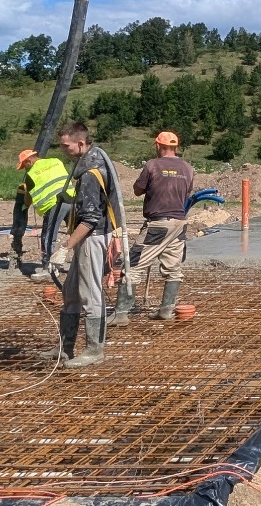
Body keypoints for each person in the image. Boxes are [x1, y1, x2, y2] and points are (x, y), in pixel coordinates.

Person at [51, 119, 122, 367]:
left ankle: (94, 350)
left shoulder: (91, 173)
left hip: (92, 238)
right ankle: (65, 347)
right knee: (71, 293)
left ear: (80, 143)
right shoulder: (88, 165)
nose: (63, 150)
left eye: (66, 146)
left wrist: (64, 247)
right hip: (87, 237)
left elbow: (91, 219)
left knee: (91, 294)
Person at [130, 130, 197, 321]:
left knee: (133, 266)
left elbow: (137, 190)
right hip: (179, 224)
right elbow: (187, 191)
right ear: (175, 147)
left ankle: (120, 314)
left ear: (158, 146)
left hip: (157, 224)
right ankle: (167, 309)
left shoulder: (152, 165)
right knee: (173, 268)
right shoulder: (188, 168)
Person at [10, 147, 70, 275]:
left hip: (53, 204)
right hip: (72, 200)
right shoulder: (56, 161)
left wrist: (25, 203)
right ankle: (80, 264)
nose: (25, 169)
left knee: (48, 236)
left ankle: (47, 268)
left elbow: (27, 200)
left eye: (24, 166)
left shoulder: (31, 174)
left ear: (28, 161)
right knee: (78, 232)